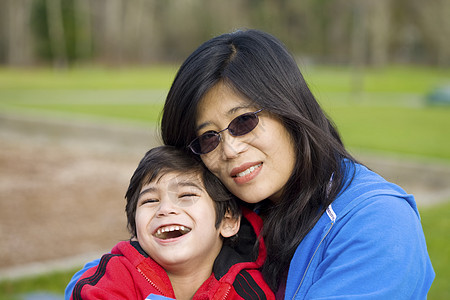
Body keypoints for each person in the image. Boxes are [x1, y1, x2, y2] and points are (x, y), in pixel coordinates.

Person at [67, 29, 435, 299]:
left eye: (244, 121)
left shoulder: (378, 225)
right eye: (208, 137)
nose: (229, 149)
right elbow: (105, 274)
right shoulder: (236, 205)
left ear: (289, 108)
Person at [69, 146, 274, 300]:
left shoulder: (247, 288)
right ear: (135, 229)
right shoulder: (115, 274)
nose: (165, 209)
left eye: (186, 195)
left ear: (228, 221)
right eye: (150, 201)